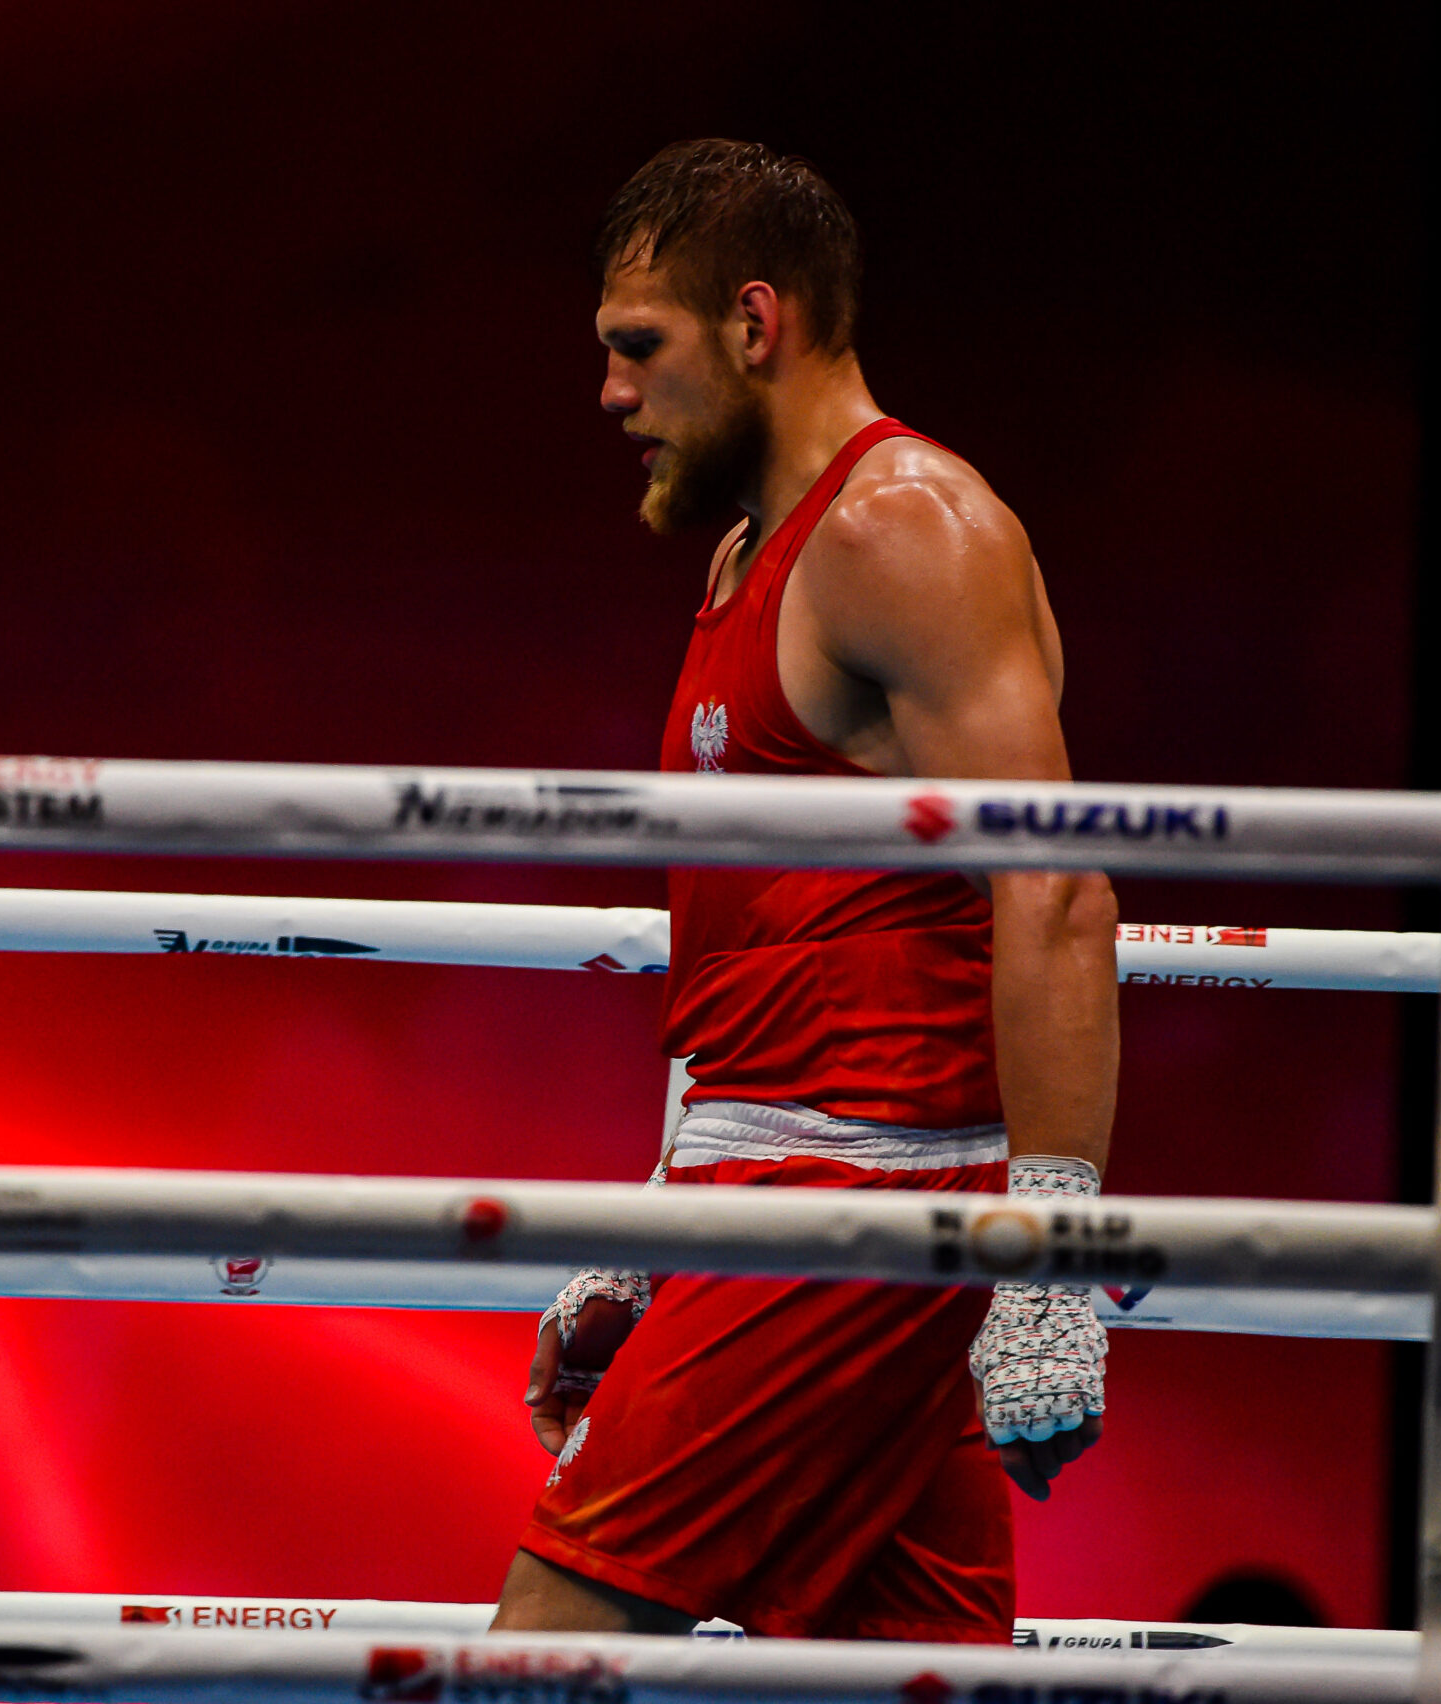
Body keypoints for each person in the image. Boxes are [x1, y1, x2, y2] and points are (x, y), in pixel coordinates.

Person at [491, 140, 1120, 1644]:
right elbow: (760, 948)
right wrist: (666, 1214)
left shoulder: (902, 533)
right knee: (909, 1679)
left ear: (755, 324)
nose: (611, 394)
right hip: (801, 1190)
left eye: (639, 345)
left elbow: (1055, 892)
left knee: (550, 1645)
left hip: (854, 1213)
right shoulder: (744, 557)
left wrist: (1051, 1253)